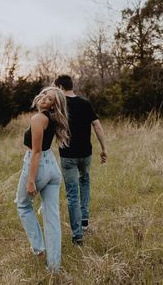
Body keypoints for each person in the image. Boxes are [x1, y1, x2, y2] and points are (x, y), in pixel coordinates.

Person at [14, 86, 69, 274]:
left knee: (22, 205)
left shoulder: (38, 118)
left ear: (55, 106)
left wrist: (31, 180)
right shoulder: (51, 118)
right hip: (52, 167)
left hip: (39, 166)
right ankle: (54, 267)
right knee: (52, 216)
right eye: (45, 94)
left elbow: (36, 152)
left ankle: (39, 248)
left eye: (50, 99)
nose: (45, 98)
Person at [54, 74, 107, 245]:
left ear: (61, 87)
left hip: (68, 156)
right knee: (84, 181)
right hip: (86, 154)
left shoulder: (58, 106)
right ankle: (84, 219)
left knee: (72, 194)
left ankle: (77, 236)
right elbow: (97, 125)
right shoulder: (85, 103)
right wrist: (104, 148)